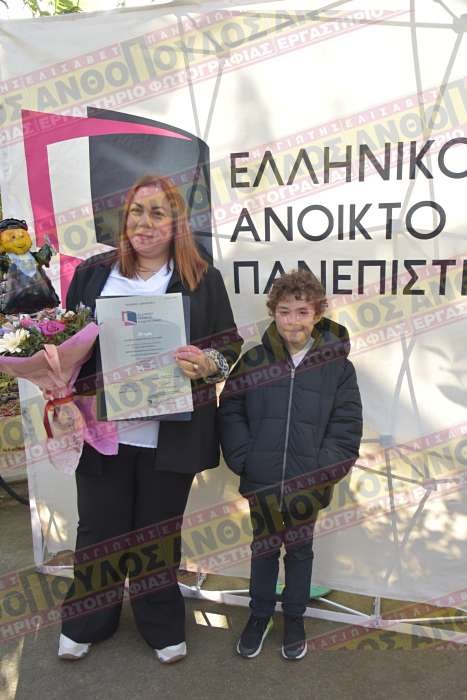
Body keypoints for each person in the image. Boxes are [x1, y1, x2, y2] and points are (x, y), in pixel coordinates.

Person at [58, 174, 242, 663]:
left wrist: (206, 363)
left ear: (175, 222)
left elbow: (228, 347)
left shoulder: (201, 278)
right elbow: (65, 348)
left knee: (157, 537)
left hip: (171, 437)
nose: (144, 223)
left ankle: (160, 627)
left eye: (157, 213)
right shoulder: (93, 274)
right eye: (136, 212)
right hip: (103, 433)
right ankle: (86, 622)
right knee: (98, 533)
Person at [218, 269, 362, 660]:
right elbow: (230, 409)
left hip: (307, 484)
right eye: (284, 311)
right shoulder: (254, 360)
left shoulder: (337, 367)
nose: (292, 321)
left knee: (299, 551)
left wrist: (320, 472)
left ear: (317, 314)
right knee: (263, 548)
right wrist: (244, 459)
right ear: (273, 312)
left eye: (302, 312)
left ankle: (294, 617)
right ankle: (259, 615)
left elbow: (346, 426)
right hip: (261, 479)